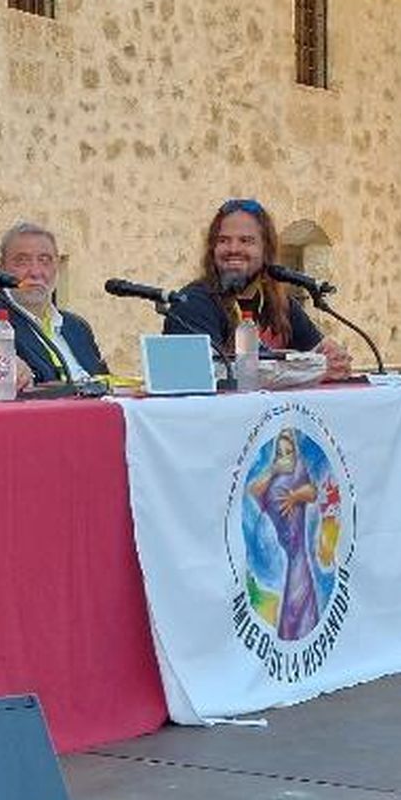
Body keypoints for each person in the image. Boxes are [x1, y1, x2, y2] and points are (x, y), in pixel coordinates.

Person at [163, 198, 351, 380]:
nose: (233, 248)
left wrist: (333, 359)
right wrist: (312, 370)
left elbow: (319, 352)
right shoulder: (192, 302)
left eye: (246, 241)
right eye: (223, 240)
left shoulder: (281, 304)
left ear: (266, 251)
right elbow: (212, 373)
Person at [0, 221, 107, 384]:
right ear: (2, 268)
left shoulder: (77, 327)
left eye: (45, 261)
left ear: (57, 267)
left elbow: (104, 382)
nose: (35, 272)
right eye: (22, 261)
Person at [247, 428, 321, 640]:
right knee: (294, 585)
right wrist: (273, 469)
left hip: (297, 544)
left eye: (289, 451)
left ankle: (303, 632)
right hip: (285, 543)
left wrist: (295, 496)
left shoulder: (299, 469)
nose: (286, 457)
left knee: (300, 587)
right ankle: (293, 633)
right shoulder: (272, 476)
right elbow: (253, 491)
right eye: (281, 453)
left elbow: (312, 492)